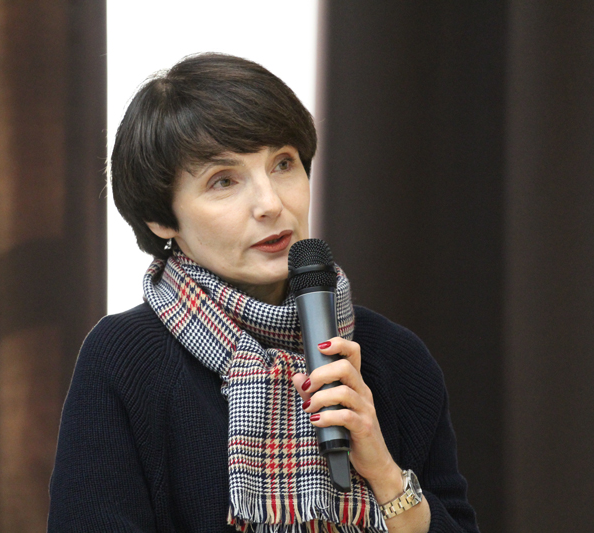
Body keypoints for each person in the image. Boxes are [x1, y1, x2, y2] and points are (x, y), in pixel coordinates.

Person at [48, 53, 478, 532]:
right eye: (224, 181)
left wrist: (385, 475)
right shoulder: (124, 360)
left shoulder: (395, 358)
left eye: (283, 164)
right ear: (161, 218)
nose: (271, 204)